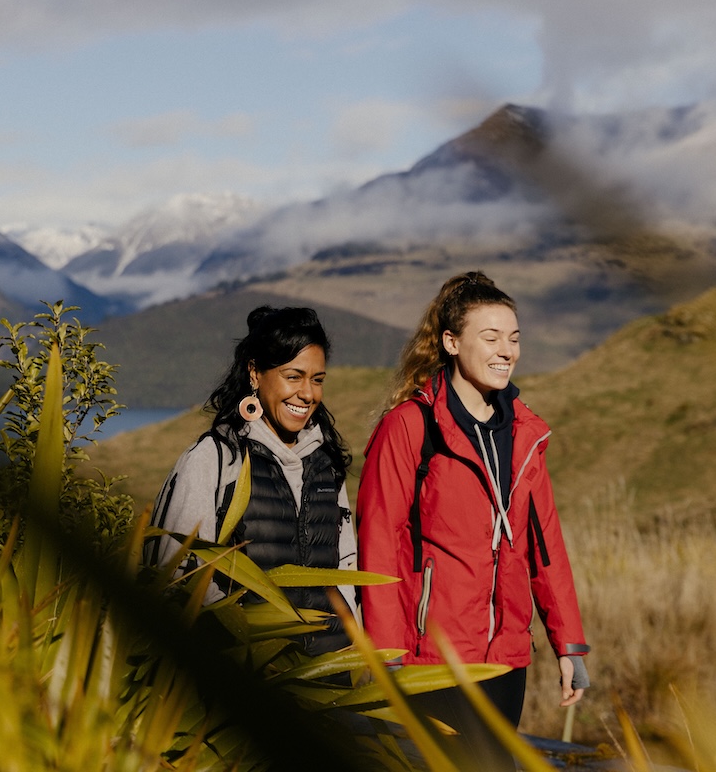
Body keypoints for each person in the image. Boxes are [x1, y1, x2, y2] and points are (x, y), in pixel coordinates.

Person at [356, 271, 589, 771]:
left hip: (506, 655)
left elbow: (544, 543)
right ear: (451, 342)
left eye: (514, 337)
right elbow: (376, 542)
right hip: (432, 657)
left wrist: (569, 645)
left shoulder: (525, 431)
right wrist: (387, 654)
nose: (507, 350)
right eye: (491, 337)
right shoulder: (410, 427)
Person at [148, 306, 356, 656]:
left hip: (328, 686)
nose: (308, 394)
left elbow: (346, 569)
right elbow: (175, 575)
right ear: (255, 373)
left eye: (317, 379)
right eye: (294, 376)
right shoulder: (216, 458)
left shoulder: (326, 465)